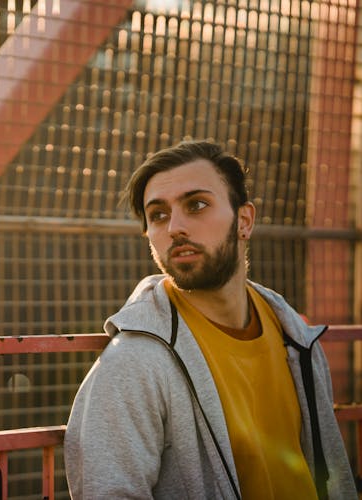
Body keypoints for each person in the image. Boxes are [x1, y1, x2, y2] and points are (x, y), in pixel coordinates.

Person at [64, 140, 357, 499]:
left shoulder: (298, 340)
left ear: (244, 220)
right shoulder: (134, 361)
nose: (175, 227)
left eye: (196, 205)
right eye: (158, 215)